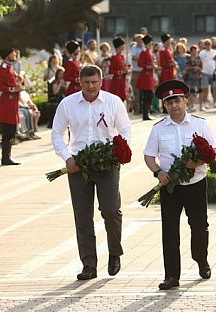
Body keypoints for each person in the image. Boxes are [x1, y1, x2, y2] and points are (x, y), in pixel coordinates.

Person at [51, 65, 132, 281]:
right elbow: (57, 133)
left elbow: (125, 131)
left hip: (107, 165)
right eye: (86, 82)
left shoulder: (113, 102)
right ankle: (88, 264)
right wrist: (67, 158)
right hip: (78, 166)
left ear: (101, 81)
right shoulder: (68, 104)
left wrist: (117, 153)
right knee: (83, 217)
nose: (90, 86)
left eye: (94, 82)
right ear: (79, 81)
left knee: (111, 210)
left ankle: (114, 252)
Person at [143, 80, 216, 290]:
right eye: (169, 102)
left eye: (177, 100)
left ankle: (201, 260)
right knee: (169, 230)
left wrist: (199, 162)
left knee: (199, 227)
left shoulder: (201, 124)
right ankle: (171, 276)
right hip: (170, 186)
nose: (174, 105)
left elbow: (215, 150)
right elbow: (149, 156)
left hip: (196, 183)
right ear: (164, 105)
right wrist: (158, 172)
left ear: (185, 101)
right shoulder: (158, 129)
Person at [0, 48, 23, 165]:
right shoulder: (3, 68)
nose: (15, 54)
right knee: (7, 131)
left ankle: (7, 156)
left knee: (11, 131)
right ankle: (5, 158)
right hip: (7, 103)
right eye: (13, 52)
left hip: (12, 103)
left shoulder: (10, 67)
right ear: (7, 55)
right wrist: (13, 89)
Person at [137, 35, 158, 120]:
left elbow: (154, 62)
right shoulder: (144, 52)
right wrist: (149, 66)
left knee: (149, 95)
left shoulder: (150, 52)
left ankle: (147, 112)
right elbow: (140, 64)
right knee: (147, 95)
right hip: (145, 76)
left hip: (150, 75)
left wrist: (154, 65)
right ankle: (145, 114)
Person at [199, 39, 216, 111]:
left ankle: (215, 102)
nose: (207, 45)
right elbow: (201, 62)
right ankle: (205, 103)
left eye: (209, 44)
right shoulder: (202, 53)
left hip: (213, 73)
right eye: (206, 44)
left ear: (211, 44)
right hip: (205, 73)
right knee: (205, 89)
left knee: (214, 88)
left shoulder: (215, 52)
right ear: (204, 45)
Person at [109, 37, 129, 102]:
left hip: (123, 80)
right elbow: (111, 70)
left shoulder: (122, 56)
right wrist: (121, 72)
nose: (123, 47)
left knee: (122, 98)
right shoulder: (114, 57)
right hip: (117, 81)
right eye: (122, 45)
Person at [184, 45, 203, 112]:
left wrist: (198, 68)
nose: (194, 52)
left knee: (200, 91)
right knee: (190, 92)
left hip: (198, 76)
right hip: (190, 77)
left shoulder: (199, 58)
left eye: (195, 50)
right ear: (191, 51)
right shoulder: (187, 58)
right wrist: (193, 68)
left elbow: (201, 67)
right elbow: (186, 68)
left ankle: (201, 106)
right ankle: (191, 106)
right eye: (193, 51)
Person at [130, 34, 145, 114]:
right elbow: (134, 58)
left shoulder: (145, 48)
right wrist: (143, 58)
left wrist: (141, 58)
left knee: (144, 91)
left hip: (144, 72)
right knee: (136, 91)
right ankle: (137, 109)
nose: (140, 41)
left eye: (141, 40)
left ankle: (144, 109)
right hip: (136, 72)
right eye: (138, 40)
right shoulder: (134, 48)